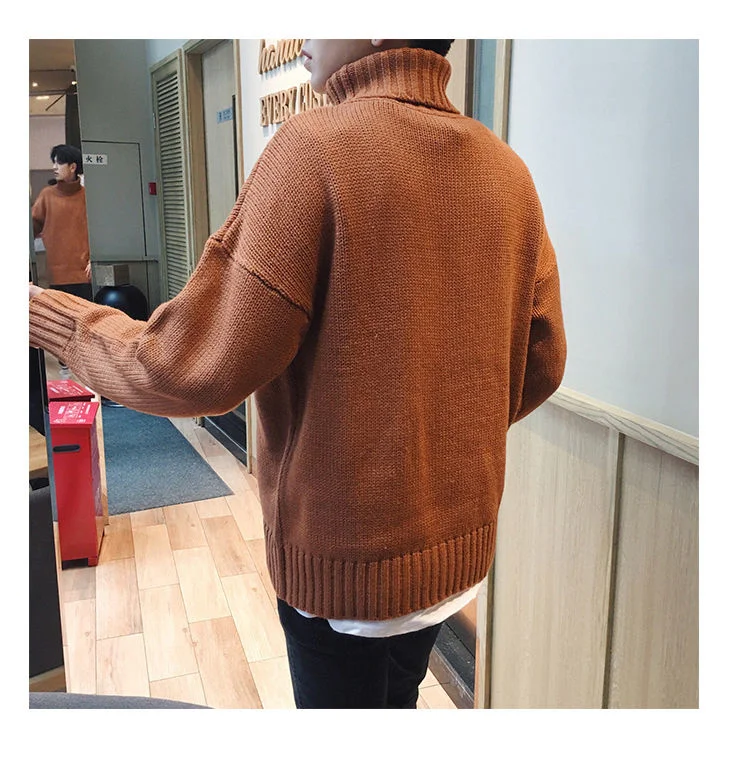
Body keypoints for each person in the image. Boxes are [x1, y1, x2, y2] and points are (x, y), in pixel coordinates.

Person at [29, 39, 566, 708]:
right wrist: (441, 439)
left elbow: (187, 368)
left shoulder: (313, 151)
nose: (305, 38)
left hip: (343, 568)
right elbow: (542, 360)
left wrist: (45, 314)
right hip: (453, 557)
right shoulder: (506, 171)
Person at [31, 144, 92, 377]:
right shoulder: (47, 196)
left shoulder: (88, 197)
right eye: (53, 162)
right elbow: (31, 227)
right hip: (56, 274)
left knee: (84, 322)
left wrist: (95, 260)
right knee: (60, 323)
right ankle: (66, 369)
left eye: (58, 162)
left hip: (84, 273)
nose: (54, 167)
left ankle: (86, 370)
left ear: (73, 167)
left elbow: (99, 232)